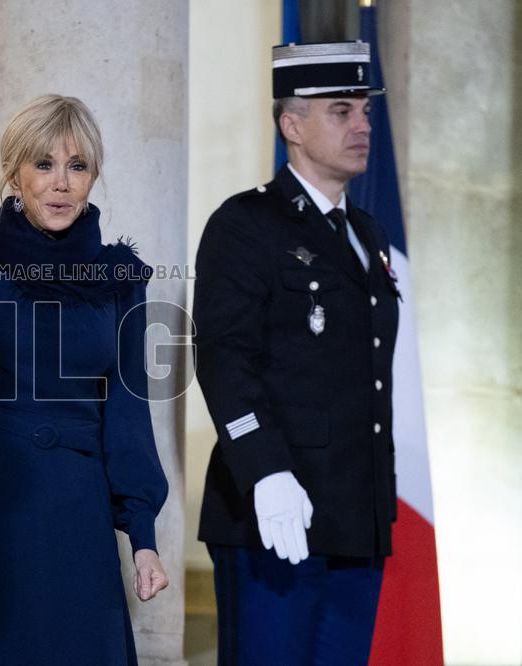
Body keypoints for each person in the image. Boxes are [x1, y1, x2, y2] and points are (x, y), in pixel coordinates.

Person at [0, 95, 169, 666]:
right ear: (14, 171)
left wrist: (144, 537)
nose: (61, 184)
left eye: (77, 166)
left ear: (93, 177)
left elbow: (128, 411)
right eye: (44, 165)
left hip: (76, 512)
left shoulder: (119, 278)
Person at [193, 41, 400, 664]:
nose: (363, 124)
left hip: (354, 517)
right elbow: (225, 358)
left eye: (364, 109)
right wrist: (264, 469)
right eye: (341, 110)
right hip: (273, 513)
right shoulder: (246, 224)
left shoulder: (367, 233)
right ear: (292, 125)